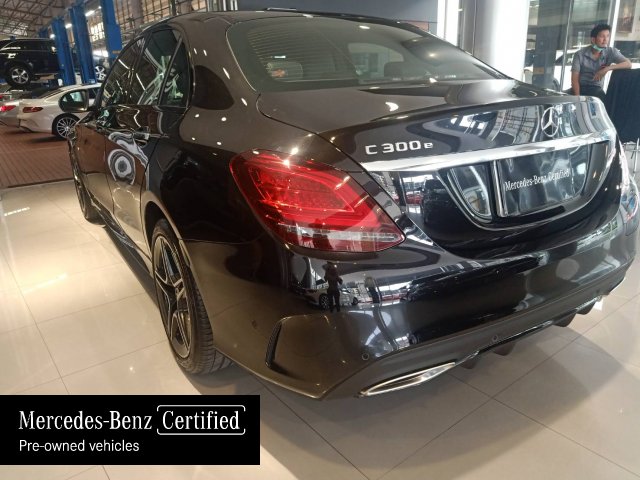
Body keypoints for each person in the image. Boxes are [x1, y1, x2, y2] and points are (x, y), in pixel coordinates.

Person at [571, 23, 631, 101]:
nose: (605, 39)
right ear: (593, 39)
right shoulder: (579, 54)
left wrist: (607, 68)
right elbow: (574, 79)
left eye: (607, 36)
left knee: (604, 101)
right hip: (579, 87)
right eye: (602, 36)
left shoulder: (611, 52)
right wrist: (578, 99)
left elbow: (628, 64)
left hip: (595, 88)